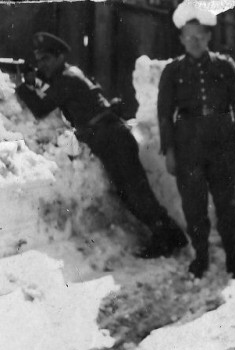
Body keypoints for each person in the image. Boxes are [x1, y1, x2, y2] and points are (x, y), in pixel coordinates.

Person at [15, 32, 187, 259]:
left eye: (46, 59)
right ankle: (172, 235)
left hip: (111, 137)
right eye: (39, 60)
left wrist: (22, 86)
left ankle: (166, 237)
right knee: (131, 193)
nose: (41, 65)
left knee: (136, 194)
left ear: (58, 57)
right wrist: (34, 80)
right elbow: (52, 91)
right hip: (110, 136)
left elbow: (40, 108)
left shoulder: (66, 78)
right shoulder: (68, 74)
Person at [157, 3, 235, 279]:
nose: (195, 41)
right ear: (181, 39)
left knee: (227, 204)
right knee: (194, 205)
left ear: (209, 37)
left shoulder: (225, 66)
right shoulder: (172, 72)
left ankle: (233, 257)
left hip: (223, 143)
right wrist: (169, 151)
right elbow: (164, 114)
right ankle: (201, 256)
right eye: (189, 36)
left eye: (200, 36)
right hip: (188, 147)